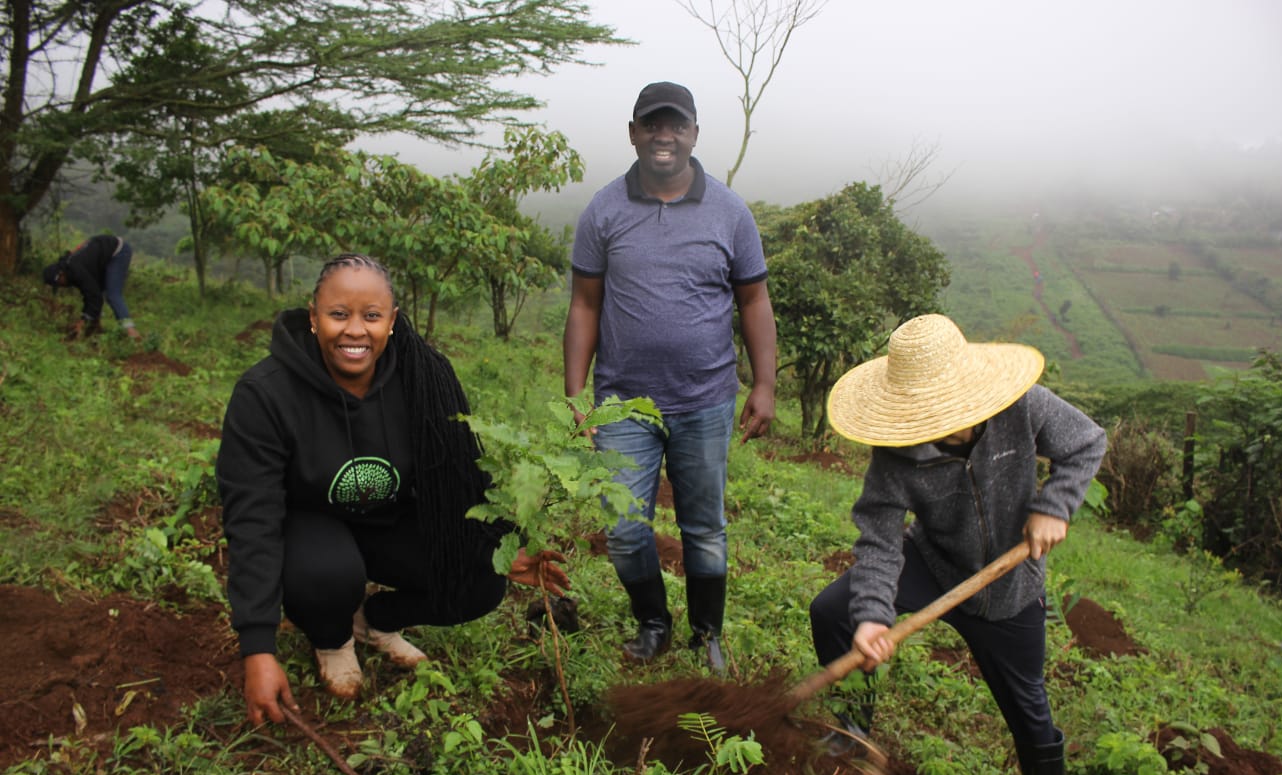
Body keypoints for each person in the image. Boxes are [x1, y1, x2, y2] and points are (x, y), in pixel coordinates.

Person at [217, 253, 568, 725]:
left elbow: (460, 475)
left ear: (393, 321)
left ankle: (374, 620)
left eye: (372, 316)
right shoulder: (266, 393)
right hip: (310, 526)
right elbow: (252, 517)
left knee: (481, 580)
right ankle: (331, 636)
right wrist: (257, 648)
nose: (355, 330)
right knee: (330, 573)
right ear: (313, 317)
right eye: (339, 314)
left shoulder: (425, 378)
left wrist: (502, 545)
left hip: (389, 520)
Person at [808, 313, 1104, 775]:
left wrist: (1054, 505)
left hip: (1010, 586)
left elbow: (1086, 443)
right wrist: (873, 614)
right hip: (935, 563)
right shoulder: (896, 452)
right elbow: (879, 537)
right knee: (833, 610)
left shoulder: (1022, 405)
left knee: (1030, 712)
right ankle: (852, 728)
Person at [563, 81, 777, 674]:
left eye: (675, 125)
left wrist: (764, 384)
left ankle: (707, 634)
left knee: (704, 528)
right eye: (652, 125)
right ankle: (652, 623)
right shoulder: (604, 210)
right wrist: (576, 394)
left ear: (694, 134)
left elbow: (754, 301)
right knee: (626, 530)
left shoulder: (729, 212)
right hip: (622, 405)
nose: (664, 135)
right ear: (633, 133)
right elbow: (584, 304)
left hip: (705, 400)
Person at [42, 234, 142, 340]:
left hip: (118, 251)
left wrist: (82, 321)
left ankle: (131, 331)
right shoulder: (69, 269)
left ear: (61, 274)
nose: (61, 286)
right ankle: (94, 327)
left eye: (59, 283)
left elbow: (95, 297)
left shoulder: (76, 270)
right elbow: (88, 294)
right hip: (101, 257)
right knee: (96, 291)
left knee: (112, 295)